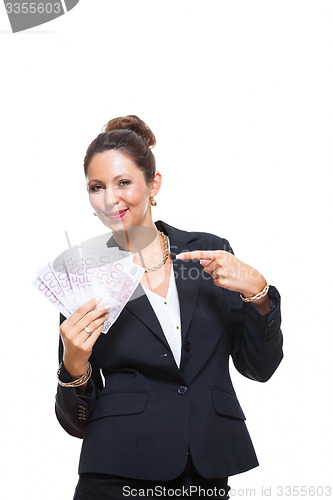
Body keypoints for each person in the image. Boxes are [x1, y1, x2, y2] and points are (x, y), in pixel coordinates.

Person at [56, 115, 283, 500]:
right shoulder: (81, 272)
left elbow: (258, 368)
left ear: (153, 183)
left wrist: (258, 294)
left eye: (123, 182)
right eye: (97, 187)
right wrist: (74, 364)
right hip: (116, 474)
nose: (110, 199)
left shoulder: (210, 252)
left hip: (204, 473)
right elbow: (77, 423)